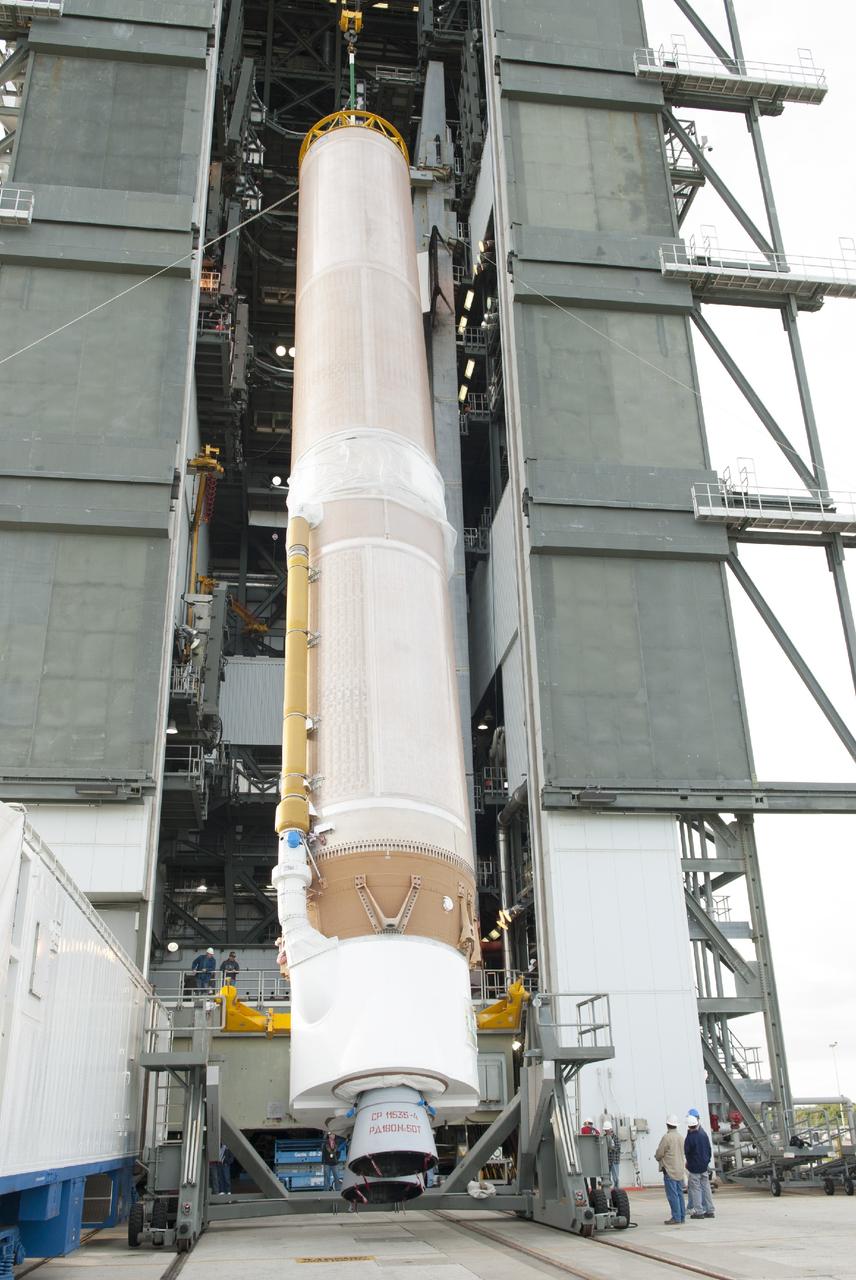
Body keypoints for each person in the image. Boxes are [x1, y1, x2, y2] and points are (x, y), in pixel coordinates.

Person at [654, 1115, 686, 1224]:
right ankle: (682, 1217)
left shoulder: (667, 1138)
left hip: (669, 1169)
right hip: (680, 1169)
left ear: (667, 1125)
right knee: (679, 1194)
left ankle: (676, 1217)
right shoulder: (681, 1137)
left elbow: (659, 1153)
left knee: (672, 1195)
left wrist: (657, 1157)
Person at [685, 1113, 715, 1219]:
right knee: (706, 1188)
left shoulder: (690, 1138)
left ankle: (699, 1211)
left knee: (696, 1189)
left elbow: (687, 1151)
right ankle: (710, 1210)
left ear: (689, 1126)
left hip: (694, 1167)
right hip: (704, 1166)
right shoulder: (704, 1134)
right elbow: (709, 1150)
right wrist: (706, 1162)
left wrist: (688, 1163)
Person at [603, 1121, 621, 1189]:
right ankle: (608, 1189)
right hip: (607, 1161)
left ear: (610, 1129)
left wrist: (611, 1148)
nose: (606, 1131)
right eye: (605, 1130)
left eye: (607, 1130)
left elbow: (618, 1148)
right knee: (607, 1177)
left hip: (614, 1160)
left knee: (615, 1177)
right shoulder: (604, 1138)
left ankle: (616, 1189)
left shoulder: (616, 1138)